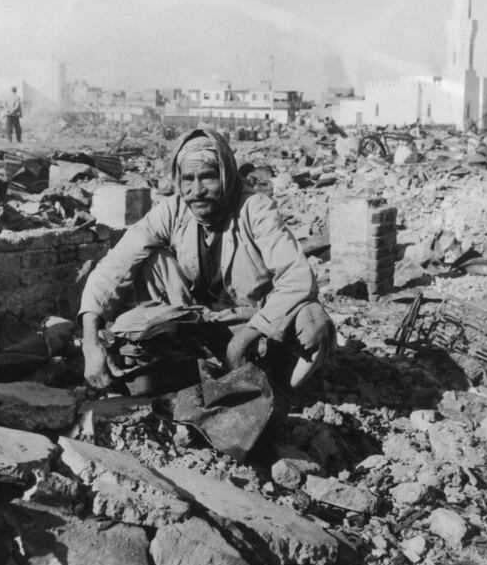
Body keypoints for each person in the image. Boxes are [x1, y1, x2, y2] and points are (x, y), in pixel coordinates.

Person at [79, 127, 334, 392]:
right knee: (150, 262)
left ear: (225, 176)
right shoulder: (173, 210)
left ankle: (277, 390)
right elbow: (113, 267)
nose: (196, 190)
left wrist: (242, 340)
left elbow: (298, 279)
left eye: (208, 177)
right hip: (198, 323)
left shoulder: (255, 208)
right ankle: (190, 363)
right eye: (188, 179)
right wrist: (89, 342)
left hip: (253, 326)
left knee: (313, 321)